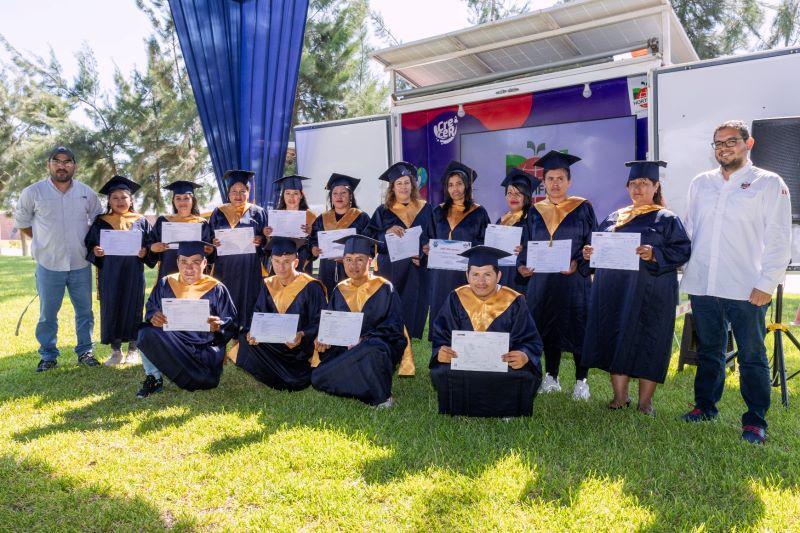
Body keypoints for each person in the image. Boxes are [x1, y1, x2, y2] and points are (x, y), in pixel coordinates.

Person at [681, 120, 792, 444]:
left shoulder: (769, 183)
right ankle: (705, 406)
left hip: (746, 288)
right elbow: (689, 230)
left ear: (749, 143)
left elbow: (779, 238)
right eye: (718, 143)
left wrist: (766, 283)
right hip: (703, 284)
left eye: (731, 141)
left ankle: (755, 420)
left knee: (752, 355)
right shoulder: (701, 183)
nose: (724, 148)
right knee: (710, 352)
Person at [581, 161, 691, 415]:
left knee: (649, 340)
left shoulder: (667, 219)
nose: (638, 188)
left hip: (651, 291)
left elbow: (683, 250)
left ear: (655, 186)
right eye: (633, 184)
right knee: (615, 335)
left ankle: (645, 402)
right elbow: (596, 248)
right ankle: (620, 397)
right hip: (614, 291)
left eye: (644, 184)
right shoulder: (613, 217)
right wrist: (589, 253)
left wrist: (655, 253)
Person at [13, 146, 104, 371]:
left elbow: (99, 221)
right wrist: (44, 241)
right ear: (49, 164)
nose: (62, 165)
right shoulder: (33, 192)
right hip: (48, 264)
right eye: (57, 161)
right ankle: (48, 356)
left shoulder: (86, 192)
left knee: (84, 311)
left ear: (74, 165)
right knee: (47, 315)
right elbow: (23, 223)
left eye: (67, 161)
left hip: (80, 263)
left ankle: (85, 351)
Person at [518, 151, 597, 400]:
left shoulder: (583, 208)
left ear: (569, 181)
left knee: (578, 328)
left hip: (573, 280)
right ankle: (551, 377)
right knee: (547, 325)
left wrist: (580, 263)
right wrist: (523, 266)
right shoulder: (534, 210)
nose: (555, 183)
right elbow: (526, 244)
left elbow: (592, 243)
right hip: (542, 281)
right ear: (544, 181)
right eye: (550, 178)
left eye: (560, 178)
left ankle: (581, 381)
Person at [430, 246, 543, 417]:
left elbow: (531, 340)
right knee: (442, 370)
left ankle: (508, 411)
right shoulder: (456, 297)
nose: (481, 281)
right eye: (475, 274)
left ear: (498, 276)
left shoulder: (515, 300)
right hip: (464, 363)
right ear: (467, 275)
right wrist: (440, 351)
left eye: (487, 274)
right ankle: (460, 409)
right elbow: (442, 335)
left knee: (524, 372)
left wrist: (524, 355)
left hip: (503, 365)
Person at [311, 235, 407, 408]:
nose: (353, 266)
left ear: (370, 261)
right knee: (317, 378)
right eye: (348, 260)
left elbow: (394, 328)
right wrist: (323, 341)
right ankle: (367, 388)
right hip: (346, 353)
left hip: (376, 351)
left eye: (359, 260)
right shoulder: (339, 289)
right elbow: (331, 326)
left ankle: (382, 398)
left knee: (371, 349)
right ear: (343, 261)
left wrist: (365, 339)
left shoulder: (385, 287)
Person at [135, 241, 238, 398]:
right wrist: (153, 316)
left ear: (204, 263)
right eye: (184, 262)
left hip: (204, 351)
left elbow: (231, 323)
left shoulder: (216, 288)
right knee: (144, 332)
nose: (189, 268)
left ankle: (192, 374)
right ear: (177, 262)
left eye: (195, 262)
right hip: (174, 345)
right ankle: (154, 378)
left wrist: (219, 325)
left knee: (203, 383)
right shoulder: (166, 283)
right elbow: (151, 307)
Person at [230, 238, 326, 391]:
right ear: (271, 261)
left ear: (296, 262)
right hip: (274, 344)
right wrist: (253, 332)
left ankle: (287, 374)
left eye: (286, 262)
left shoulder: (311, 286)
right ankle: (281, 374)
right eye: (276, 261)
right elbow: (258, 314)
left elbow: (320, 321)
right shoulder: (268, 284)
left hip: (299, 348)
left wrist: (302, 334)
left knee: (296, 381)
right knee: (244, 339)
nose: (281, 267)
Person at [84, 176, 152, 366]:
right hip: (110, 273)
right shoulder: (101, 221)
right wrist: (95, 251)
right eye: (115, 198)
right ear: (109, 201)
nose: (120, 202)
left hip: (133, 274)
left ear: (131, 200)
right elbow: (90, 245)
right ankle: (116, 352)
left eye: (124, 197)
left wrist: (145, 251)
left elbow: (150, 245)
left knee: (134, 307)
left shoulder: (141, 221)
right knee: (111, 307)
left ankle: (133, 349)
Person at [429, 161, 490, 339]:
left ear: (467, 186)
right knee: (440, 307)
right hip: (441, 273)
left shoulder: (479, 212)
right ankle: (439, 352)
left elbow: (484, 242)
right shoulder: (438, 212)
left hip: (465, 272)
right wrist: (427, 248)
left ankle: (465, 350)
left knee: (464, 309)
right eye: (450, 185)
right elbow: (429, 237)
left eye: (459, 184)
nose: (455, 189)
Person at [209, 170, 268, 329]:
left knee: (248, 300)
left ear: (248, 193)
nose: (238, 195)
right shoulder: (218, 212)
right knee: (226, 298)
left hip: (250, 267)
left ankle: (243, 337)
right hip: (225, 267)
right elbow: (210, 238)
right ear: (228, 194)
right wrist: (214, 242)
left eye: (243, 191)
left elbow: (266, 240)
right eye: (234, 191)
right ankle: (226, 332)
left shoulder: (259, 212)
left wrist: (261, 240)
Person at [308, 173, 371, 295]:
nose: (339, 196)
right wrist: (313, 249)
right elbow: (312, 240)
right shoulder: (322, 218)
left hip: (353, 269)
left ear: (350, 195)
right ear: (331, 197)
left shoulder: (361, 217)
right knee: (328, 301)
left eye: (343, 193)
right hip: (327, 269)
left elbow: (369, 244)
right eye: (335, 193)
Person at [148, 180, 214, 280]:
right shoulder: (163, 221)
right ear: (173, 201)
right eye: (178, 198)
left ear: (193, 201)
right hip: (168, 270)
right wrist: (153, 248)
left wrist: (209, 250)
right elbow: (149, 245)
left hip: (193, 272)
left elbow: (210, 253)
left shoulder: (201, 223)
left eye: (186, 198)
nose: (182, 202)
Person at [496, 168, 538, 293]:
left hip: (521, 278)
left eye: (518, 194)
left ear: (526, 197)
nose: (513, 197)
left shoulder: (533, 220)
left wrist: (524, 249)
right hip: (501, 277)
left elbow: (539, 247)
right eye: (509, 193)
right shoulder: (501, 221)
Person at [264, 175, 317, 275]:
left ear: (301, 195)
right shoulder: (276, 215)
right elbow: (269, 246)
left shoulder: (310, 216)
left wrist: (312, 232)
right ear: (283, 195)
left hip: (302, 261)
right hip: (280, 261)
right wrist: (267, 235)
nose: (291, 197)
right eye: (288, 193)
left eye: (295, 193)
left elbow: (316, 244)